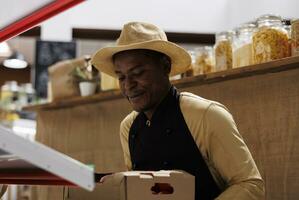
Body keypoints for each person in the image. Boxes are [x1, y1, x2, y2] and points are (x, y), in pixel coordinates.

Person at [91, 22, 265, 200]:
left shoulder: (206, 114)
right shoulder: (128, 127)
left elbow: (250, 185)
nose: (128, 85)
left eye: (138, 73)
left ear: (165, 66)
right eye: (121, 77)